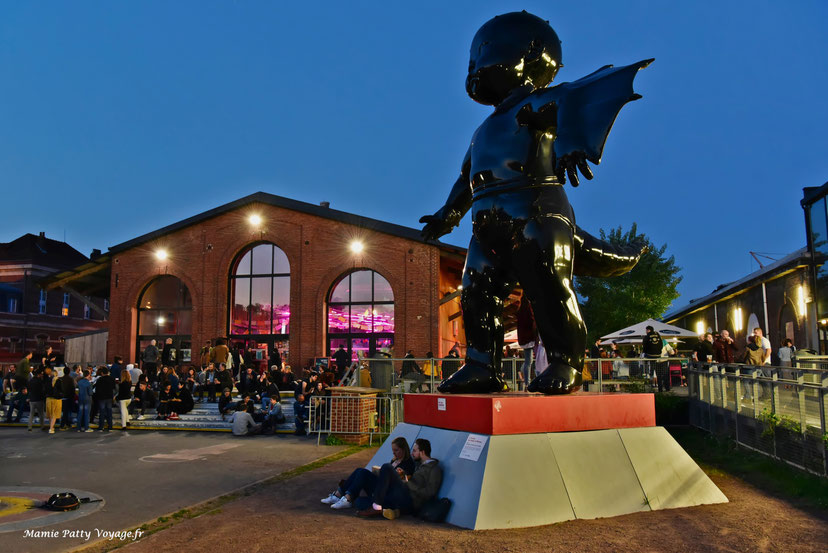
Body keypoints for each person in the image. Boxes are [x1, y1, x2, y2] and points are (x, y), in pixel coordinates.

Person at [357, 438, 442, 520]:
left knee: (387, 467)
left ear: (422, 452)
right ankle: (385, 509)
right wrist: (403, 476)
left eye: (415, 451)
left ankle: (378, 506)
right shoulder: (418, 464)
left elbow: (430, 492)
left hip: (411, 500)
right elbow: (411, 480)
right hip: (402, 493)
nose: (412, 453)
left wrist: (409, 484)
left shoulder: (434, 469)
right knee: (360, 501)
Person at [322, 437, 416, 509]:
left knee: (362, 474)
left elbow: (404, 480)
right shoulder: (394, 460)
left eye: (396, 450)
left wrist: (398, 474)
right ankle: (339, 494)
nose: (394, 453)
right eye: (393, 450)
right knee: (360, 471)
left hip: (387, 490)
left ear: (403, 449)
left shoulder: (408, 463)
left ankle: (347, 498)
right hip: (381, 484)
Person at [94, 366, 116, 431]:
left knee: (102, 412)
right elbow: (114, 387)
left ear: (102, 373)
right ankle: (110, 427)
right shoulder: (111, 379)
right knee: (109, 412)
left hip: (101, 397)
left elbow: (96, 389)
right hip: (109, 397)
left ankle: (101, 427)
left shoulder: (100, 380)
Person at [43, 366, 63, 434]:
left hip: (48, 399)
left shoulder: (47, 381)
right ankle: (51, 428)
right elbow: (62, 390)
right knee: (54, 414)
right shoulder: (59, 381)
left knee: (50, 414)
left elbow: (44, 389)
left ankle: (51, 426)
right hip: (56, 399)